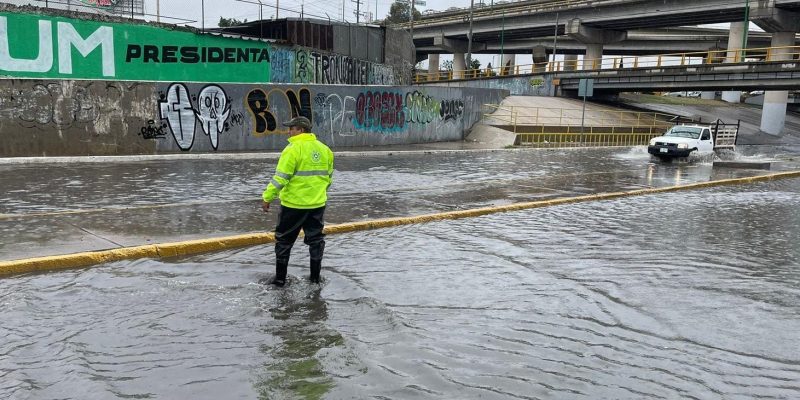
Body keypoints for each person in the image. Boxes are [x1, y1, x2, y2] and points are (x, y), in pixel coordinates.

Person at [261, 116, 334, 286]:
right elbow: (328, 178)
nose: (289, 131)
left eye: (292, 128)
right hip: (317, 205)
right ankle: (315, 279)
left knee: (284, 242)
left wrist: (267, 197)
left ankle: (280, 280)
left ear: (301, 130)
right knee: (316, 242)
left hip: (293, 206)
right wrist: (317, 195)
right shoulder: (325, 150)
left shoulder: (292, 149)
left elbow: (280, 178)